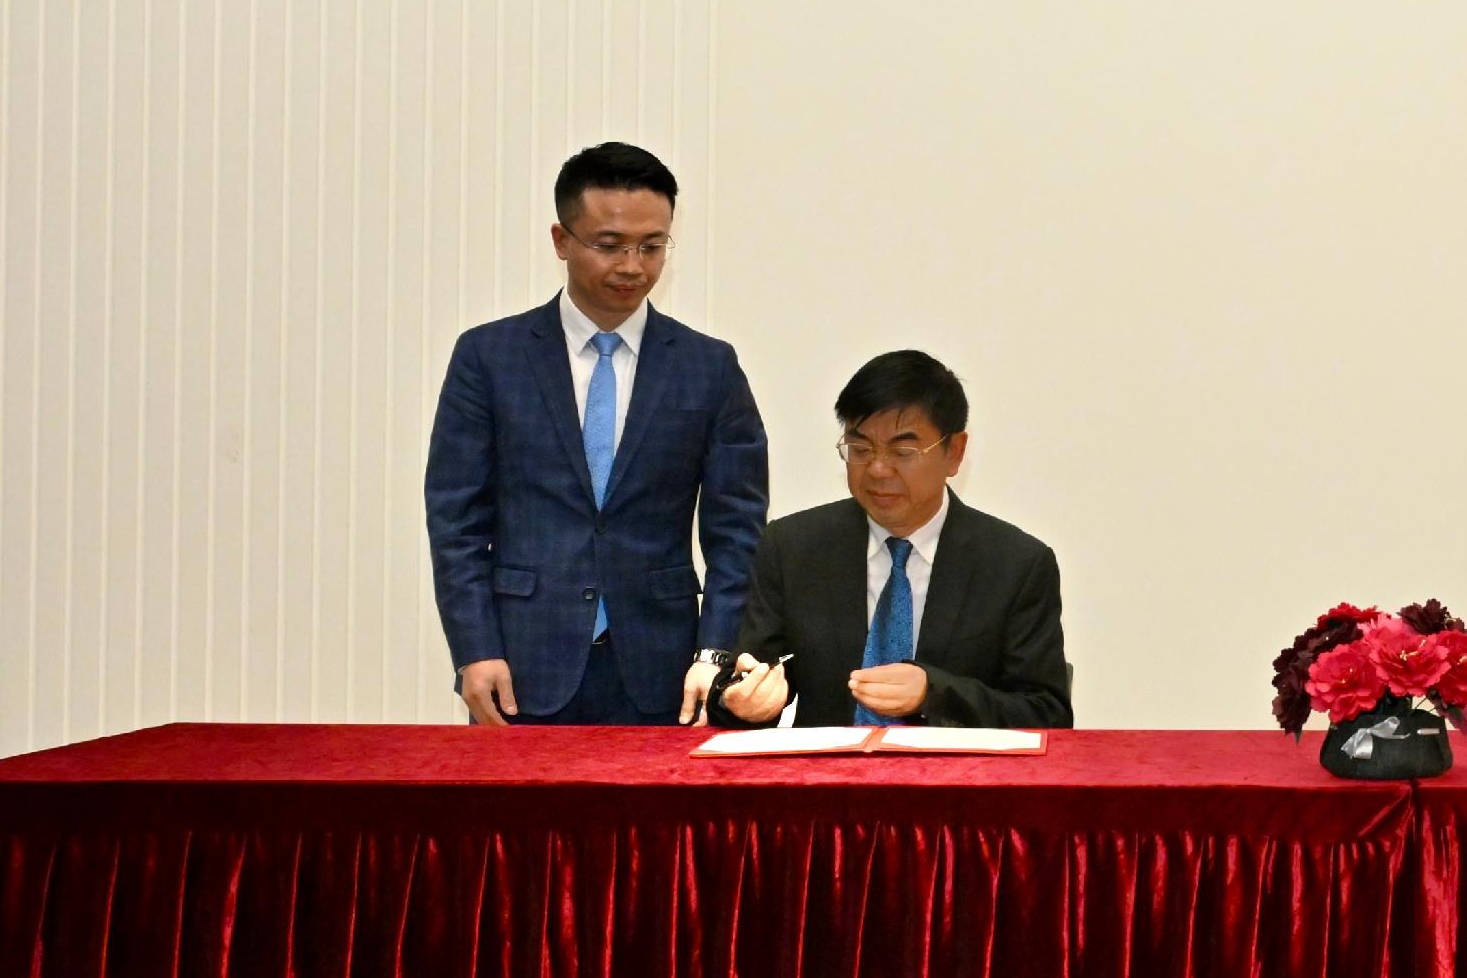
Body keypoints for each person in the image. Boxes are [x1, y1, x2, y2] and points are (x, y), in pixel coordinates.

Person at [421, 142, 770, 725]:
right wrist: (475, 647)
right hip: (521, 661)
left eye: (652, 246)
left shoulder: (709, 367)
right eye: (610, 245)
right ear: (561, 240)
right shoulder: (489, 357)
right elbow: (455, 519)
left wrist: (716, 653)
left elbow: (738, 533)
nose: (633, 265)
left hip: (667, 667)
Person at [713, 349, 1075, 729]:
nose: (878, 469)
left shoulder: (1015, 564)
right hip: (826, 782)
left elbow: (1046, 713)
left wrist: (934, 692)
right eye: (860, 449)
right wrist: (739, 700)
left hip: (955, 783)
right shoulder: (793, 548)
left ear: (955, 452)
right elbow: (749, 674)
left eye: (903, 451)